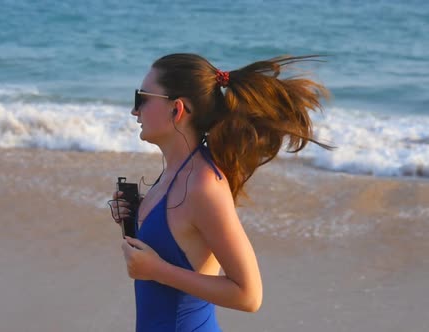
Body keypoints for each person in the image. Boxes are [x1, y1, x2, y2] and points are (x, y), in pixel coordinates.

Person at [110, 53, 332, 331]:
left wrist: (157, 270)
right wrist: (139, 215)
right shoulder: (176, 170)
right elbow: (181, 235)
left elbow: (249, 295)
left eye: (141, 98)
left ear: (176, 109)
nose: (135, 111)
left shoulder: (204, 185)